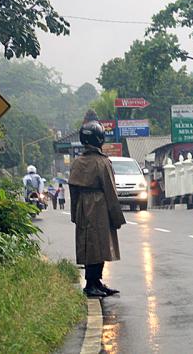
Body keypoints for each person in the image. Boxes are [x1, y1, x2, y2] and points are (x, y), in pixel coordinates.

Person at [68, 120, 125, 298]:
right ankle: (91, 283)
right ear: (99, 139)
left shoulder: (77, 162)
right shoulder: (102, 162)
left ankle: (95, 281)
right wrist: (116, 217)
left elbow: (73, 190)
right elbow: (111, 191)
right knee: (99, 245)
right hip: (99, 206)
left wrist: (74, 214)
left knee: (88, 244)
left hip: (82, 207)